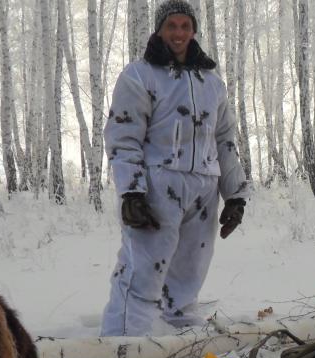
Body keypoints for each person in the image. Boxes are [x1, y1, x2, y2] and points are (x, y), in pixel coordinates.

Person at [100, 0, 251, 337]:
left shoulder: (212, 83)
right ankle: (120, 347)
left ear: (194, 30)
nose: (179, 33)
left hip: (204, 190)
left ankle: (181, 339)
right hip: (157, 188)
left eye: (185, 26)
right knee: (142, 271)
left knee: (189, 273)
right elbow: (124, 137)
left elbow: (224, 140)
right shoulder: (139, 76)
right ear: (160, 29)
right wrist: (131, 191)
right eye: (172, 26)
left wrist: (236, 196)